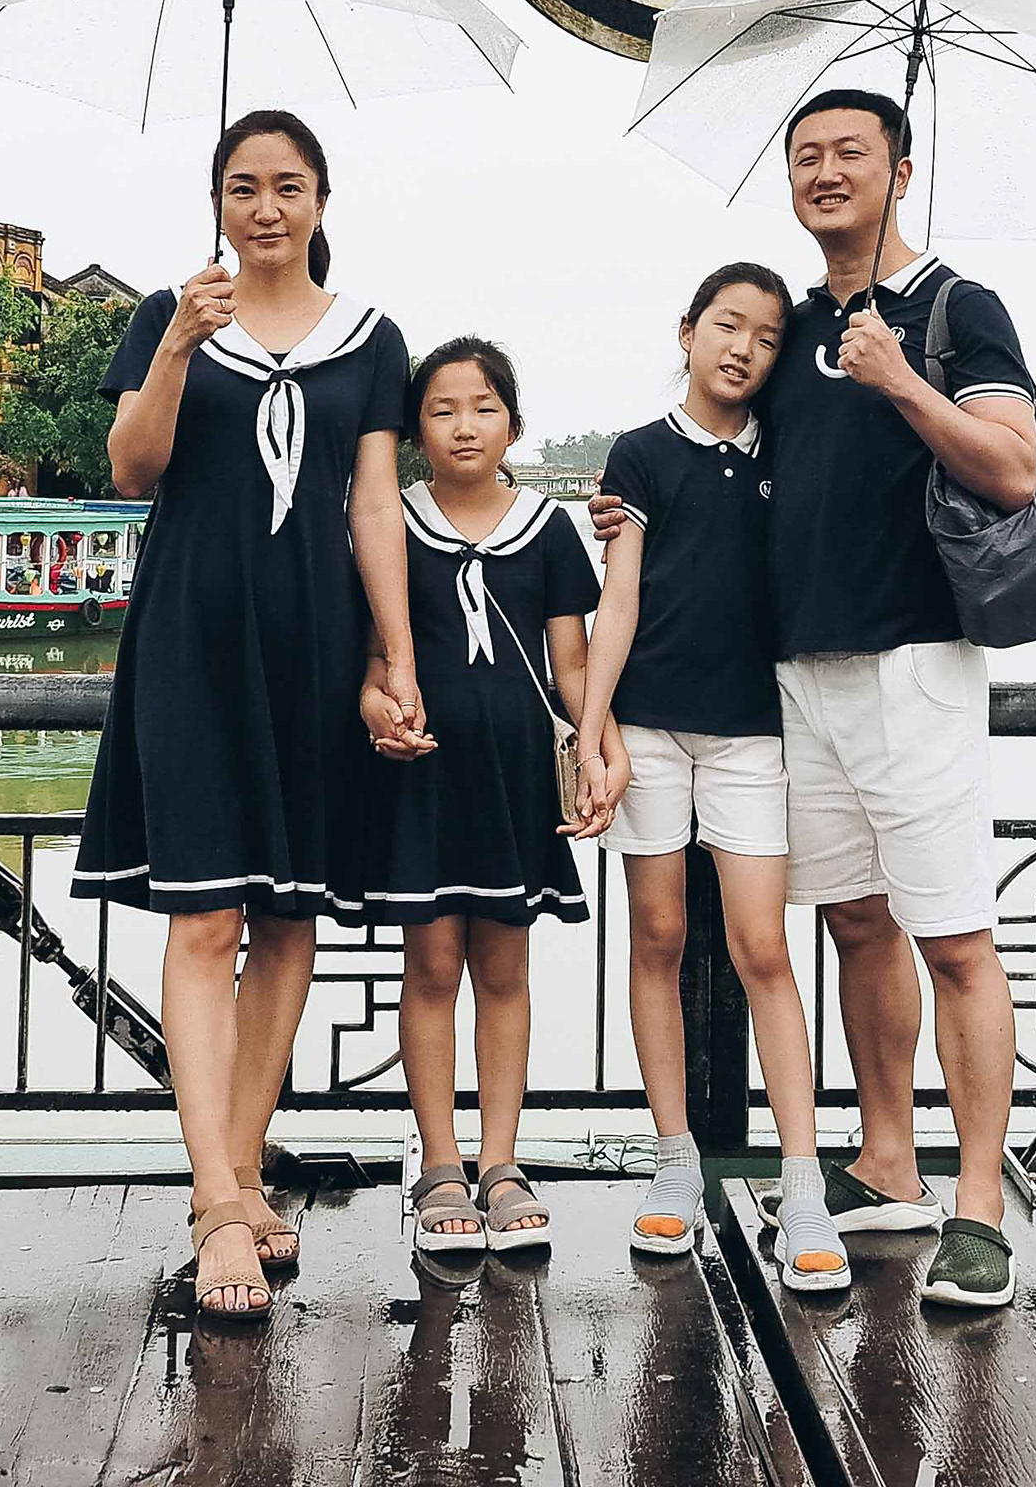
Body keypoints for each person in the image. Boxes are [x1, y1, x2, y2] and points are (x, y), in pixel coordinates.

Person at [83, 109, 426, 1323]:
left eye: (288, 186)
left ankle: (226, 1173)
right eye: (243, 186)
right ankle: (223, 1193)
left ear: (323, 199)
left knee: (289, 919)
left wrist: (396, 655)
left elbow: (374, 504)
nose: (265, 207)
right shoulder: (172, 315)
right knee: (203, 915)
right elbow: (132, 467)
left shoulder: (374, 338)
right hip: (191, 634)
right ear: (217, 200)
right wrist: (177, 341)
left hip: (316, 643)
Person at [737, 87, 1036, 1312]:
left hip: (915, 662)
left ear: (900, 172)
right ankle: (885, 1161)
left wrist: (904, 380)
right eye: (804, 154)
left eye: (849, 153)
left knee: (955, 937)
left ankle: (978, 1208)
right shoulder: (790, 324)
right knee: (856, 924)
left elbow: (1014, 471)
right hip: (801, 669)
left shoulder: (958, 310)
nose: (824, 171)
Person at [574, 262, 849, 1294]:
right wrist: (593, 734)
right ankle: (674, 1160)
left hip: (750, 734)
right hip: (647, 727)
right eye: (726, 325)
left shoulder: (788, 456)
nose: (742, 347)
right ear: (686, 330)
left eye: (767, 336)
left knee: (761, 947)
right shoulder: (640, 455)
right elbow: (624, 596)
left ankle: (804, 1180)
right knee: (656, 937)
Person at [342, 337, 597, 1258]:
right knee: (432, 969)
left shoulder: (549, 530)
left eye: (484, 407)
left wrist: (598, 748)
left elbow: (571, 662)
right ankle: (440, 1164)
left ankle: (501, 1161)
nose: (464, 425)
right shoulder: (391, 525)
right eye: (442, 409)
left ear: (514, 426)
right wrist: (378, 707)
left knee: (504, 971)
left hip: (515, 785)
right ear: (415, 431)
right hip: (423, 781)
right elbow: (373, 660)